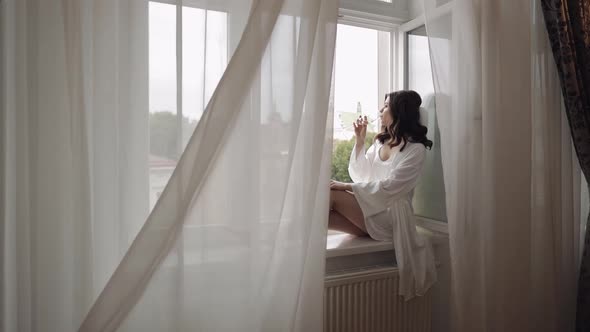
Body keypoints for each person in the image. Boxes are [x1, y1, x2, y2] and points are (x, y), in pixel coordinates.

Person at [329, 90, 436, 298]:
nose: (380, 110)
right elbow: (362, 176)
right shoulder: (380, 143)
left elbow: (390, 187)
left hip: (391, 216)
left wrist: (345, 186)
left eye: (386, 106)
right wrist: (360, 141)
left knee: (330, 193)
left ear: (399, 111)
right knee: (325, 216)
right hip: (373, 211)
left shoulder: (415, 150)